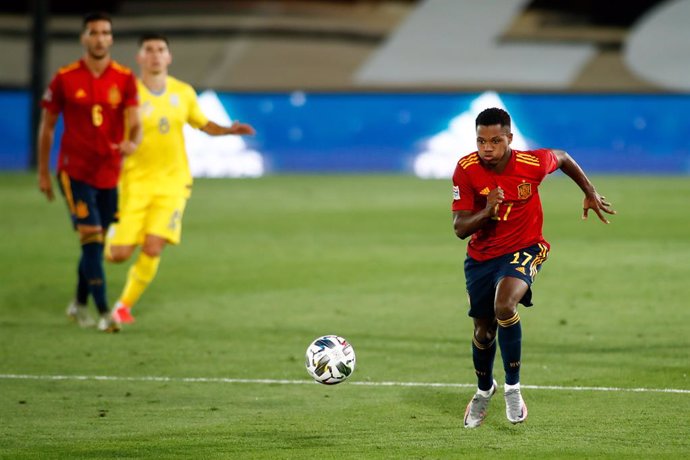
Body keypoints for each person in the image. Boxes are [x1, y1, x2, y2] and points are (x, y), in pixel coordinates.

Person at [452, 108, 615, 428]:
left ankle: (513, 388)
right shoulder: (466, 169)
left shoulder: (532, 163)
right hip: (482, 258)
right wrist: (487, 211)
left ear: (510, 139)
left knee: (505, 304)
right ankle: (484, 391)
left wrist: (589, 191)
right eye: (481, 141)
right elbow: (460, 228)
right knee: (483, 333)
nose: (487, 147)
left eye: (495, 140)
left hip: (526, 248)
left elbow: (564, 158)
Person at [105, 33, 255, 327]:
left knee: (153, 246)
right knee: (118, 255)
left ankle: (123, 306)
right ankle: (107, 236)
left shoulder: (183, 92)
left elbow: (202, 124)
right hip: (134, 183)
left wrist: (227, 130)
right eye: (149, 50)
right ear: (140, 57)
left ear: (169, 57)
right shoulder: (127, 93)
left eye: (161, 50)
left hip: (173, 184)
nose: (155, 55)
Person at [38, 12, 141, 333]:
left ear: (111, 39)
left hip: (110, 173)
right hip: (75, 171)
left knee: (93, 243)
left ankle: (78, 304)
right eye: (93, 32)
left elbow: (135, 122)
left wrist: (132, 142)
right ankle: (104, 311)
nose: (99, 38)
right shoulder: (65, 78)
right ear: (83, 38)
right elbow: (48, 128)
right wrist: (43, 171)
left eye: (105, 32)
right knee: (92, 239)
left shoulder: (124, 78)